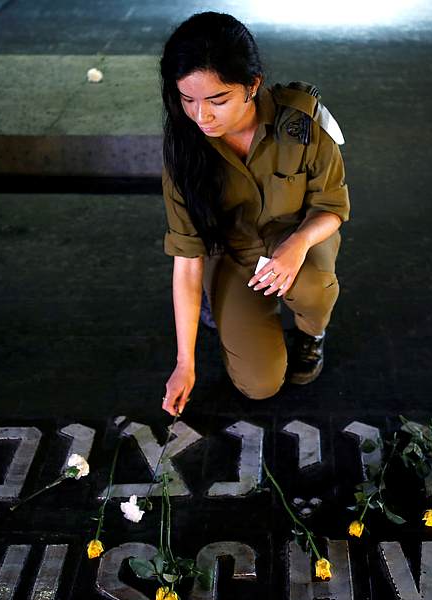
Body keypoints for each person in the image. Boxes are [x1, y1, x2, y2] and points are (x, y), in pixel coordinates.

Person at [159, 12, 350, 416]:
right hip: (231, 254)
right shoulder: (183, 148)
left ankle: (311, 335)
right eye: (187, 99)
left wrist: (297, 244)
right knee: (260, 386)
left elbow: (332, 207)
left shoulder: (302, 123)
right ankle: (226, 303)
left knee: (313, 288)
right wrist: (185, 364)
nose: (201, 116)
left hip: (299, 239)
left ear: (252, 85)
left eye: (217, 100)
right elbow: (187, 261)